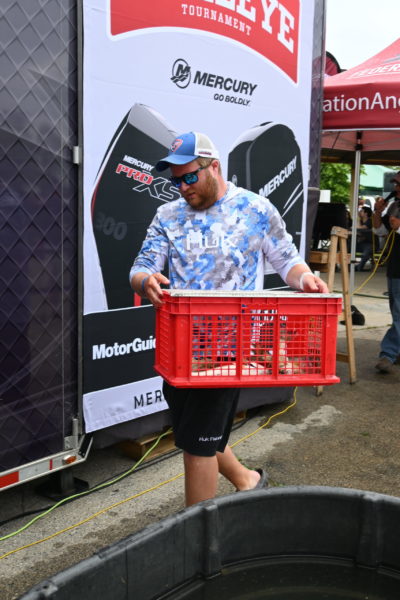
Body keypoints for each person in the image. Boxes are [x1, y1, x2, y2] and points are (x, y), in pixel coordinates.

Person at [130, 131, 329, 506]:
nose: (183, 187)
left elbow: (287, 259)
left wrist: (305, 279)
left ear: (214, 167)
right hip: (180, 347)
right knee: (193, 431)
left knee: (197, 446)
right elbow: (141, 266)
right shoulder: (167, 215)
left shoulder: (255, 209)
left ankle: (198, 529)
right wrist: (145, 281)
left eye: (190, 176)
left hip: (233, 349)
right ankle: (248, 480)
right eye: (176, 180)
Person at [372, 170, 400, 374]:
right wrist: (377, 213)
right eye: (395, 184)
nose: (396, 188)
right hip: (394, 266)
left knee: (399, 314)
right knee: (396, 312)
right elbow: (380, 231)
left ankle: (388, 353)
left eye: (398, 184)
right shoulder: (394, 206)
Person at [355, 206, 373, 271]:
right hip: (361, 243)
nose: (359, 212)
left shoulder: (370, 221)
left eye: (361, 211)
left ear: (366, 213)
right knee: (349, 247)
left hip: (370, 243)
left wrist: (358, 218)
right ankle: (349, 266)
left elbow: (362, 228)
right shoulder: (361, 221)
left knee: (366, 253)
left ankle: (359, 267)